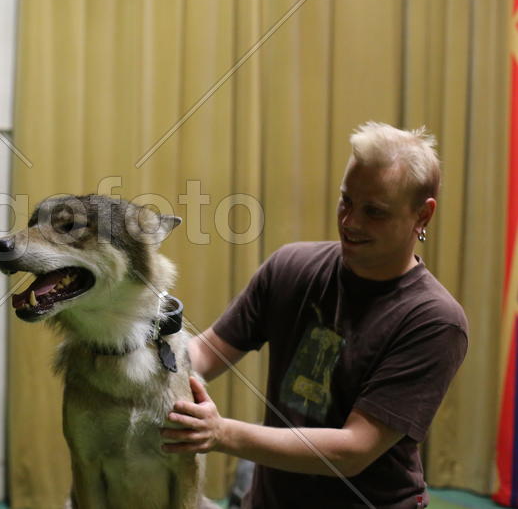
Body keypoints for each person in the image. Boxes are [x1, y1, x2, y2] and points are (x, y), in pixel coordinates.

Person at [161, 122, 469, 509]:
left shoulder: (434, 320)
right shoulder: (290, 266)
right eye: (346, 200)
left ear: (422, 216)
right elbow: (205, 353)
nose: (350, 222)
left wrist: (221, 433)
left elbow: (353, 450)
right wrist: (145, 363)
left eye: (374, 211)